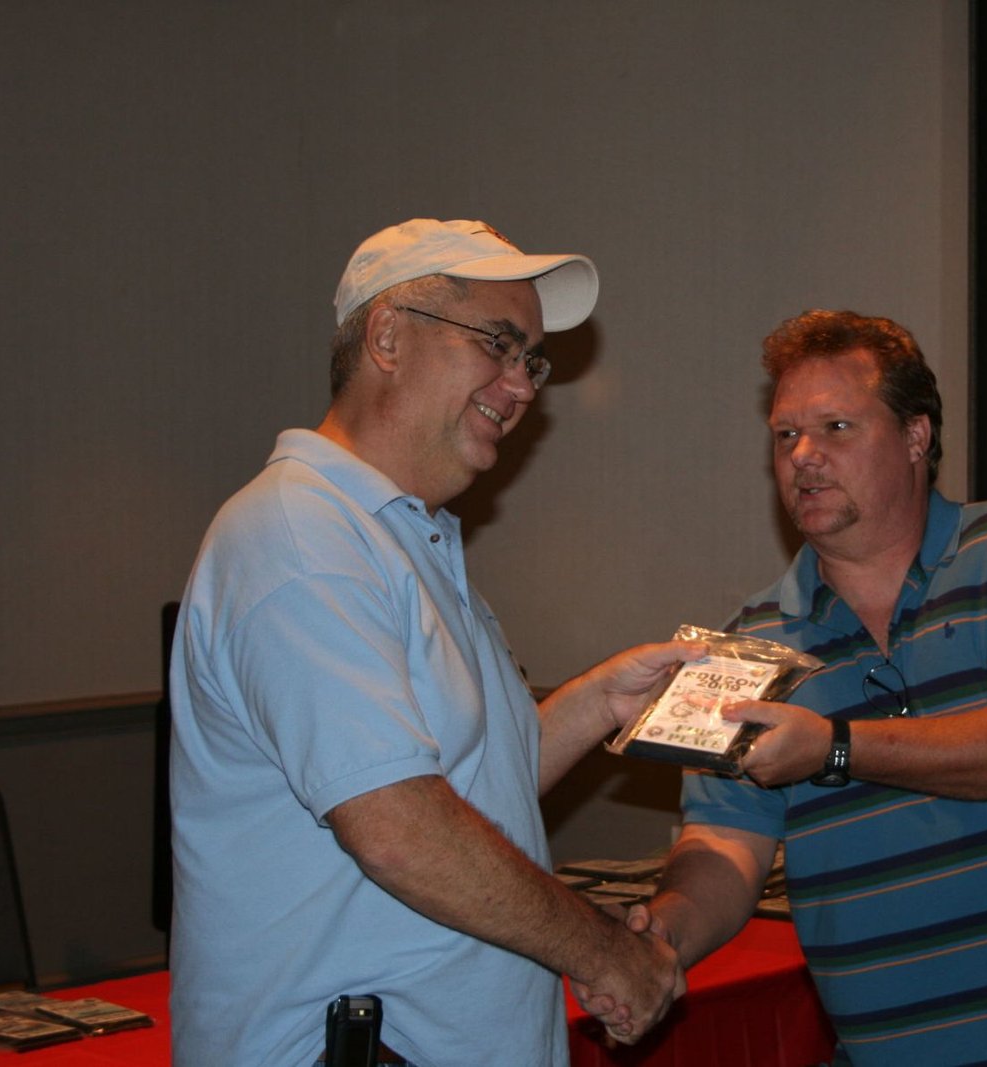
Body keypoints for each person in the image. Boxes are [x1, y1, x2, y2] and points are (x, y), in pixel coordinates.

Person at [169, 218, 689, 1066]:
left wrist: (601, 700)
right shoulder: (298, 533)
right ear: (387, 337)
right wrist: (603, 951)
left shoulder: (408, 536)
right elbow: (398, 825)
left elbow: (472, 782)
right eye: (498, 344)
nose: (520, 386)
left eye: (532, 361)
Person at [628, 310, 987, 1065]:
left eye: (836, 427)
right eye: (785, 434)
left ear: (916, 436)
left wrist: (835, 748)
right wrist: (662, 937)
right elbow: (723, 843)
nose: (803, 455)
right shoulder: (750, 642)